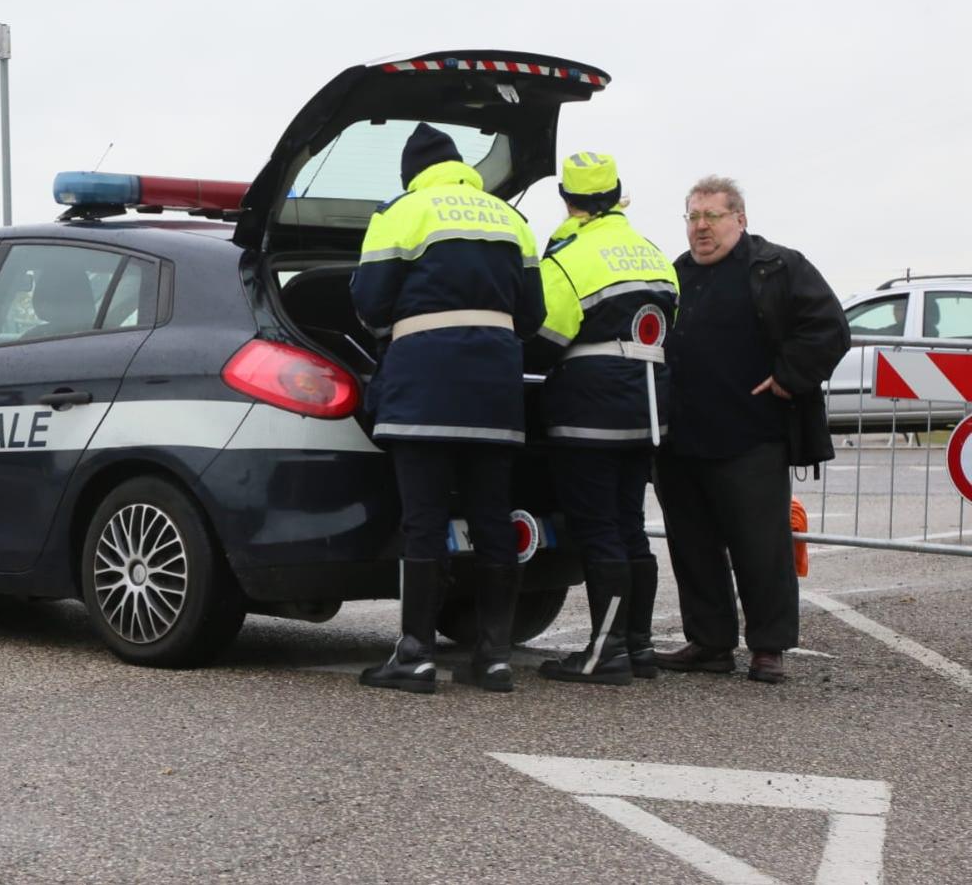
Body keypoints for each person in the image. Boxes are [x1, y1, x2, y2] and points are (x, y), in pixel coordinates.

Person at [352, 123, 545, 695]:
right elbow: (532, 314)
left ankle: (415, 655)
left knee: (425, 522)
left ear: (412, 173)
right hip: (495, 391)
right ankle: (494, 657)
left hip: (425, 389)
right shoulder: (509, 218)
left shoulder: (403, 212)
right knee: (492, 519)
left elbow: (369, 302)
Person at [655, 175, 849, 684]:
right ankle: (710, 642)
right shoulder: (674, 275)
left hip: (751, 436)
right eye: (693, 217)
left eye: (712, 217)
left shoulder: (777, 266)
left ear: (739, 219)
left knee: (761, 548)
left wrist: (790, 377)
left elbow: (829, 326)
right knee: (692, 546)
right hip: (681, 438)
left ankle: (769, 647)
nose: (701, 227)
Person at [526, 152, 678, 686]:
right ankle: (637, 647)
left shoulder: (568, 257)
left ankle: (605, 651)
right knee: (630, 525)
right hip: (648, 409)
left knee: (598, 530)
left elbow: (545, 339)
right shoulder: (654, 253)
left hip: (589, 410)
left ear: (568, 198)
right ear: (618, 194)